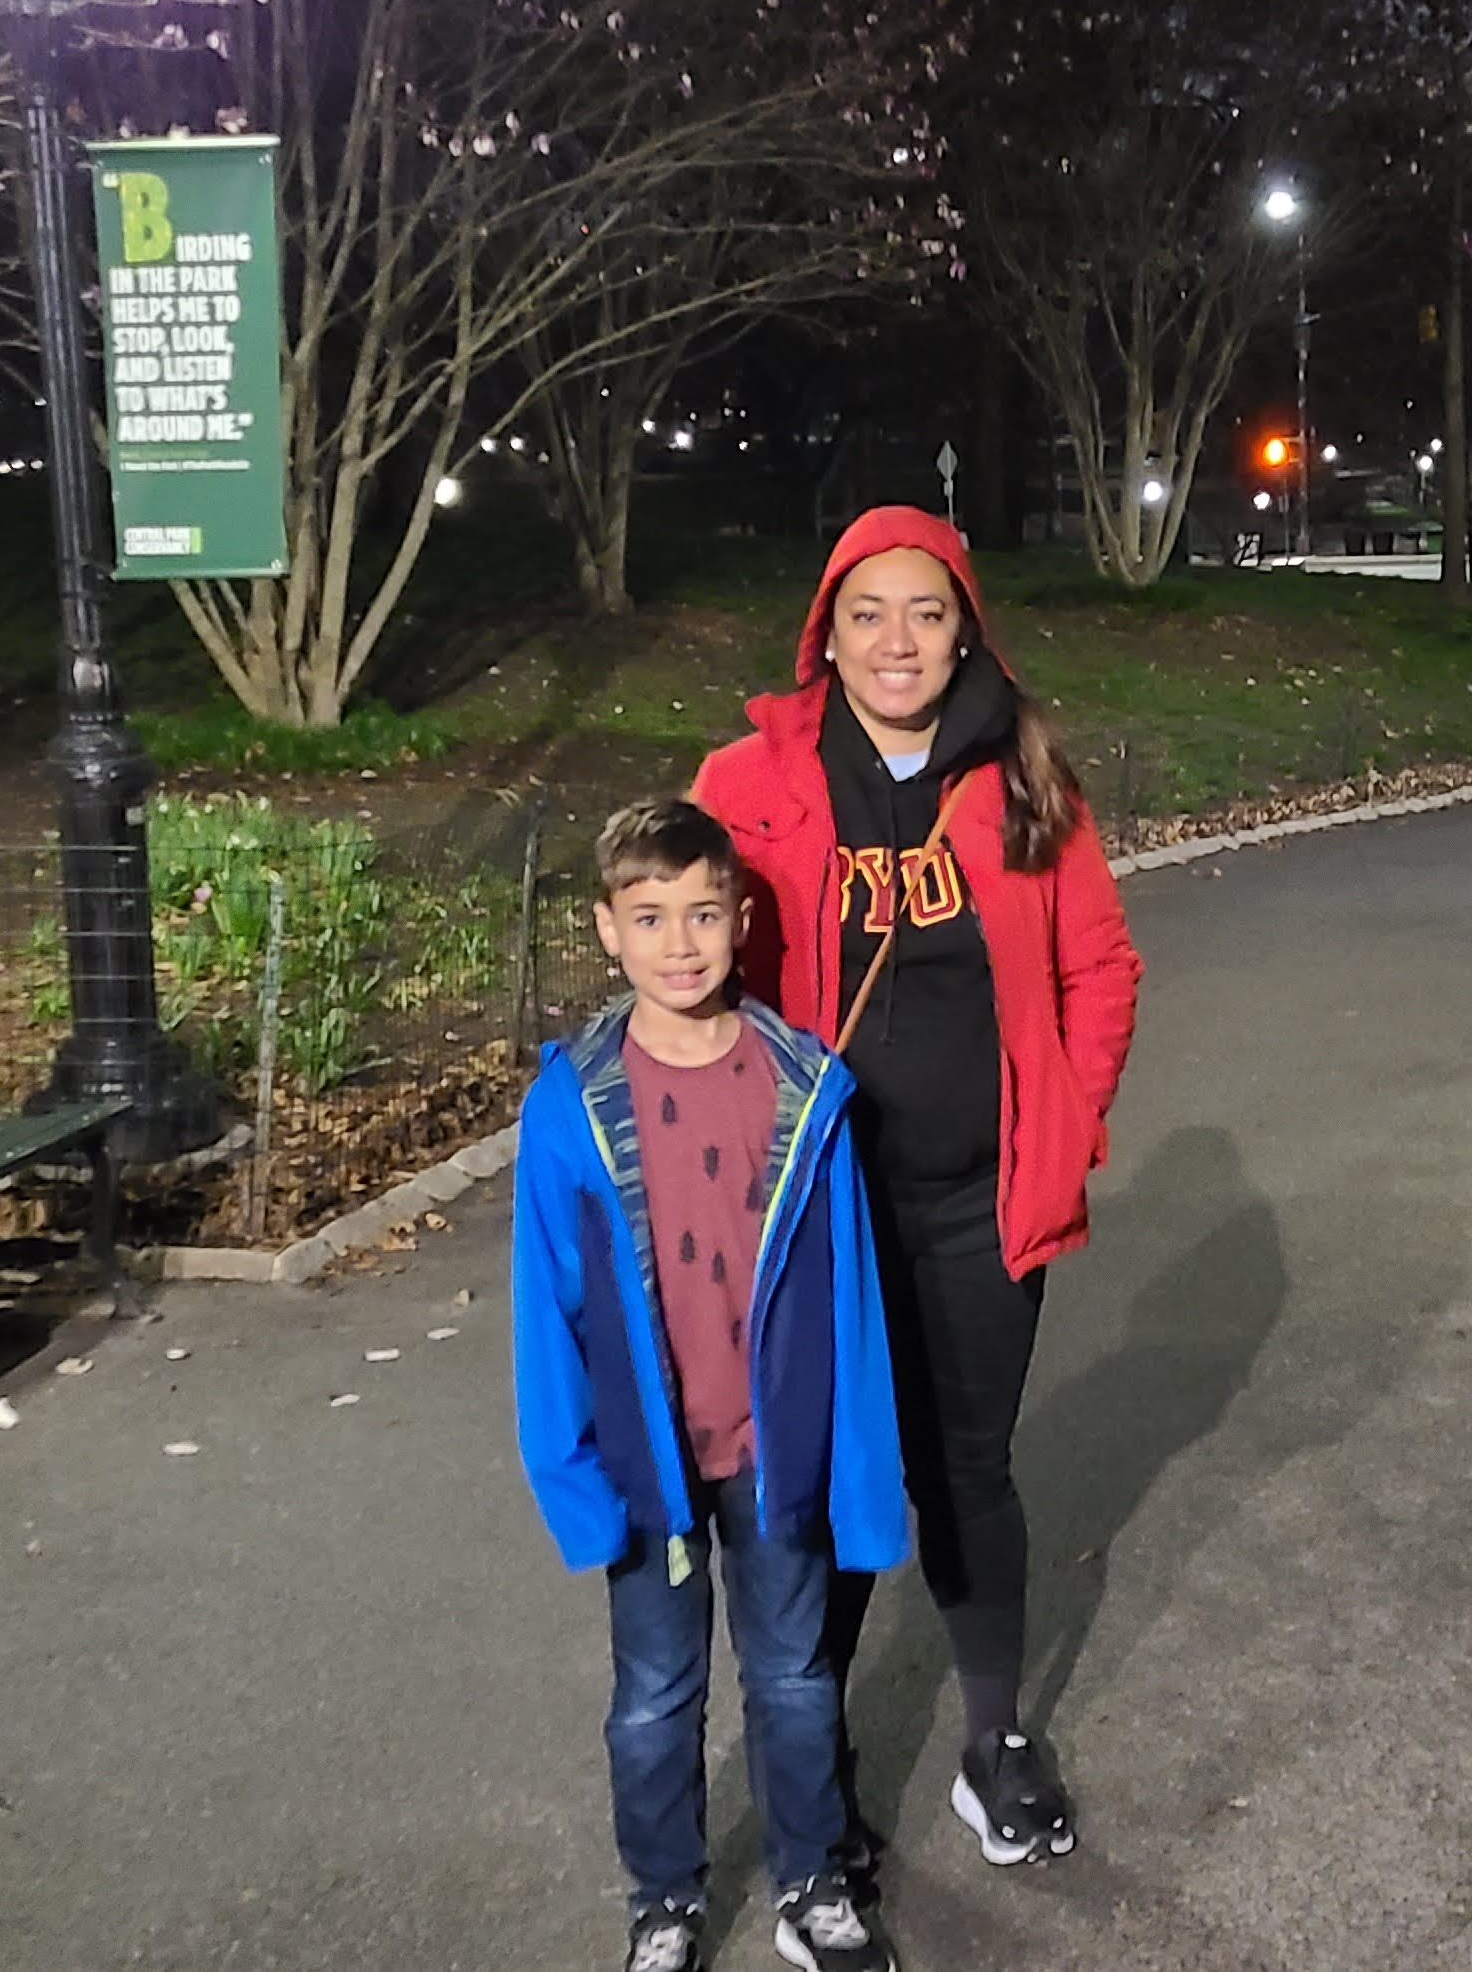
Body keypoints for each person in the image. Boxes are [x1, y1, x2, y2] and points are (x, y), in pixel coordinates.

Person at [693, 506, 1144, 1874]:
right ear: (825, 634)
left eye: (927, 612)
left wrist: (1062, 1124)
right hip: (813, 1217)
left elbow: (1099, 967)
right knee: (820, 1477)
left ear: (966, 633)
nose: (898, 640)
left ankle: (995, 1742)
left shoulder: (1024, 779)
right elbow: (689, 970)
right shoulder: (749, 780)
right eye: (868, 612)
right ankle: (810, 1762)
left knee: (967, 1472)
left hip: (977, 1207)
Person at [509, 801, 912, 1972]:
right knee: (654, 1692)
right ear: (607, 929)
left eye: (701, 913)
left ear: (739, 919)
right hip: (650, 1468)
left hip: (776, 1455)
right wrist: (572, 1479)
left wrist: (861, 1476)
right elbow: (546, 1311)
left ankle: (812, 1880)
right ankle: (666, 1900)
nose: (679, 943)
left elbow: (850, 1301)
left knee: (795, 1675)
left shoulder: (806, 1090)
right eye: (649, 918)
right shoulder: (569, 1106)